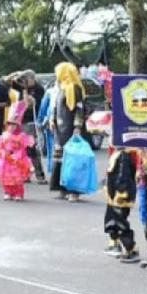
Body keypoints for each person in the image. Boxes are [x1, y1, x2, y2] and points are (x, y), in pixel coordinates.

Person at [49, 62, 86, 202]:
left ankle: (74, 191)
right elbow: (55, 107)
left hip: (71, 129)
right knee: (60, 159)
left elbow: (79, 109)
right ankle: (62, 189)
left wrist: (77, 126)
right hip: (60, 130)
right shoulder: (61, 89)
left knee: (73, 161)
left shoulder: (74, 88)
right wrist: (51, 120)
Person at [0, 101, 34, 201]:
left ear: (18, 126)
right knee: (6, 177)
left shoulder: (21, 137)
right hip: (6, 160)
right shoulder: (4, 136)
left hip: (17, 160)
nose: (11, 127)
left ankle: (18, 193)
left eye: (14, 125)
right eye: (9, 124)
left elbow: (22, 150)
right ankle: (7, 192)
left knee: (17, 178)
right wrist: (3, 154)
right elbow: (1, 147)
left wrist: (16, 156)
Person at [103, 146, 140, 262]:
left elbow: (123, 177)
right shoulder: (118, 153)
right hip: (112, 196)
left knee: (121, 223)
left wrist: (121, 193)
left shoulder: (124, 155)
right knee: (111, 220)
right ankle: (116, 244)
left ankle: (131, 249)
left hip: (120, 197)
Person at [15, 70, 47, 184]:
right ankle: (26, 173)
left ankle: (40, 175)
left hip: (32, 121)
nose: (24, 82)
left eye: (26, 79)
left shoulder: (38, 89)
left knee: (31, 148)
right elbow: (20, 105)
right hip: (22, 121)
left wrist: (24, 91)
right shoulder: (23, 89)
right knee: (22, 149)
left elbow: (28, 105)